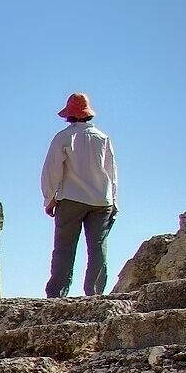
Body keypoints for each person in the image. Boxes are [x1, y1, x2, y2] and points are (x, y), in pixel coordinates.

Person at [40, 92, 118, 297]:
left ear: (69, 116)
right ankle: (95, 293)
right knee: (98, 247)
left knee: (64, 248)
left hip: (72, 198)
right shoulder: (103, 138)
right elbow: (112, 172)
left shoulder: (64, 137)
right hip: (102, 199)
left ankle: (57, 293)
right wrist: (114, 201)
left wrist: (49, 198)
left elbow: (51, 170)